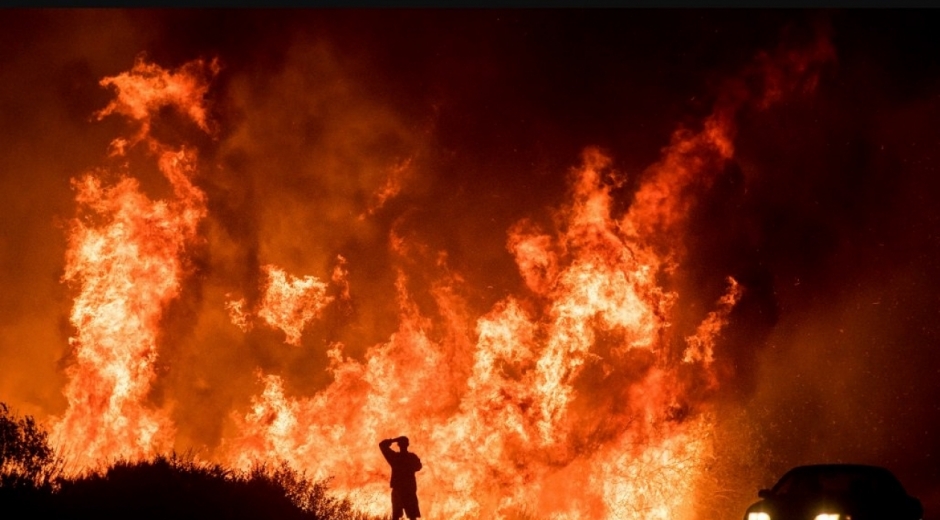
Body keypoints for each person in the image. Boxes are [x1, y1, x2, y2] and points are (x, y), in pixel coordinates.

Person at [379, 436, 422, 520]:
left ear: (398, 445)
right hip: (408, 490)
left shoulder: (395, 458)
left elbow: (382, 445)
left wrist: (394, 440)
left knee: (396, 516)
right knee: (412, 516)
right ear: (408, 444)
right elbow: (419, 466)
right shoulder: (411, 457)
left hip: (400, 490)